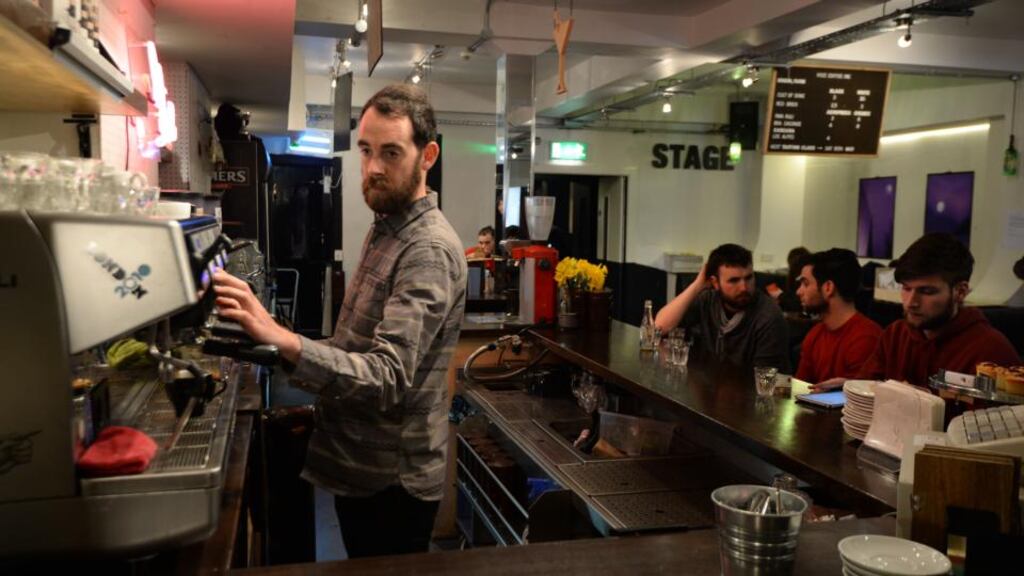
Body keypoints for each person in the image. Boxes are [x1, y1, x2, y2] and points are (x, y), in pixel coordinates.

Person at [213, 84, 467, 558]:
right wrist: (272, 335)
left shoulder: (426, 250)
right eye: (366, 151)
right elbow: (356, 345)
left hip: (391, 481)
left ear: (427, 155)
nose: (372, 168)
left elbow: (387, 377)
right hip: (359, 468)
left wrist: (287, 343)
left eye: (391, 152)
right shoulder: (386, 227)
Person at [812, 234, 1019, 390]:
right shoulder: (896, 334)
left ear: (960, 292)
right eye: (906, 288)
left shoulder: (991, 352)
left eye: (926, 291)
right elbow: (872, 386)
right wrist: (852, 386)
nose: (911, 302)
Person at [655, 243, 790, 371]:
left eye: (749, 278)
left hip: (746, 392)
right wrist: (697, 284)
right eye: (734, 280)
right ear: (715, 282)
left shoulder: (769, 317)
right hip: (711, 389)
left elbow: (764, 380)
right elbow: (660, 327)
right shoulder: (708, 300)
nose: (744, 287)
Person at [794, 248, 882, 384]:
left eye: (805, 283)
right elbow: (800, 389)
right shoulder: (815, 334)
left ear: (828, 287)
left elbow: (858, 400)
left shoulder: (866, 339)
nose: (798, 291)